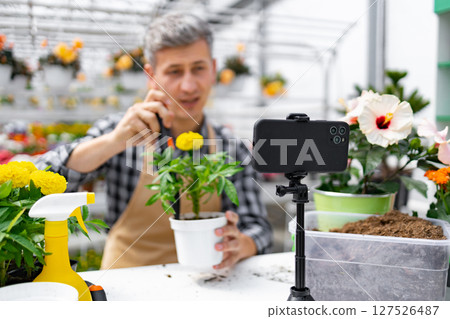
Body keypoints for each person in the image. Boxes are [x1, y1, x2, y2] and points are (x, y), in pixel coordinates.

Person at [36, 12, 272, 270]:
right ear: (151, 75)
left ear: (214, 70)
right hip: (128, 287)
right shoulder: (118, 130)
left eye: (198, 68)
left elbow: (258, 226)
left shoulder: (231, 147)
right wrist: (114, 142)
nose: (188, 85)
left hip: (208, 282)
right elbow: (41, 181)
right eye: (174, 71)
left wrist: (242, 244)